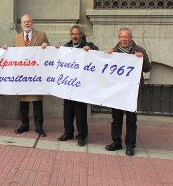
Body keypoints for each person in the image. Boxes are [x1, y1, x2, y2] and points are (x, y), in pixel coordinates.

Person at [105, 27, 151, 156]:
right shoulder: (113, 51)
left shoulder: (140, 50)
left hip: (132, 91)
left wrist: (142, 59)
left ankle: (130, 145)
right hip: (117, 91)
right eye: (121, 37)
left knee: (131, 119)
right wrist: (107, 56)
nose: (124, 39)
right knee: (116, 118)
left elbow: (148, 68)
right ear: (119, 38)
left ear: (131, 38)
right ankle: (116, 142)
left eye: (126, 37)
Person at [4, 14, 49, 137]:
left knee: (37, 101)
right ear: (21, 24)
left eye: (28, 21)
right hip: (22, 75)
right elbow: (13, 54)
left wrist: (46, 47)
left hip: (36, 75)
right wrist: (5, 50)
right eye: (24, 22)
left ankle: (39, 127)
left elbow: (50, 52)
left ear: (32, 22)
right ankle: (24, 125)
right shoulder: (17, 37)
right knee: (23, 101)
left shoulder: (41, 35)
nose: (26, 24)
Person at [56, 24, 99, 147]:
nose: (75, 36)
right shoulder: (66, 47)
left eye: (77, 34)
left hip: (81, 86)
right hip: (68, 85)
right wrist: (55, 50)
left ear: (81, 35)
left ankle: (82, 136)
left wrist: (90, 51)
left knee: (80, 113)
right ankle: (68, 132)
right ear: (70, 35)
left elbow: (97, 54)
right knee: (67, 112)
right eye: (73, 34)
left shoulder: (89, 46)